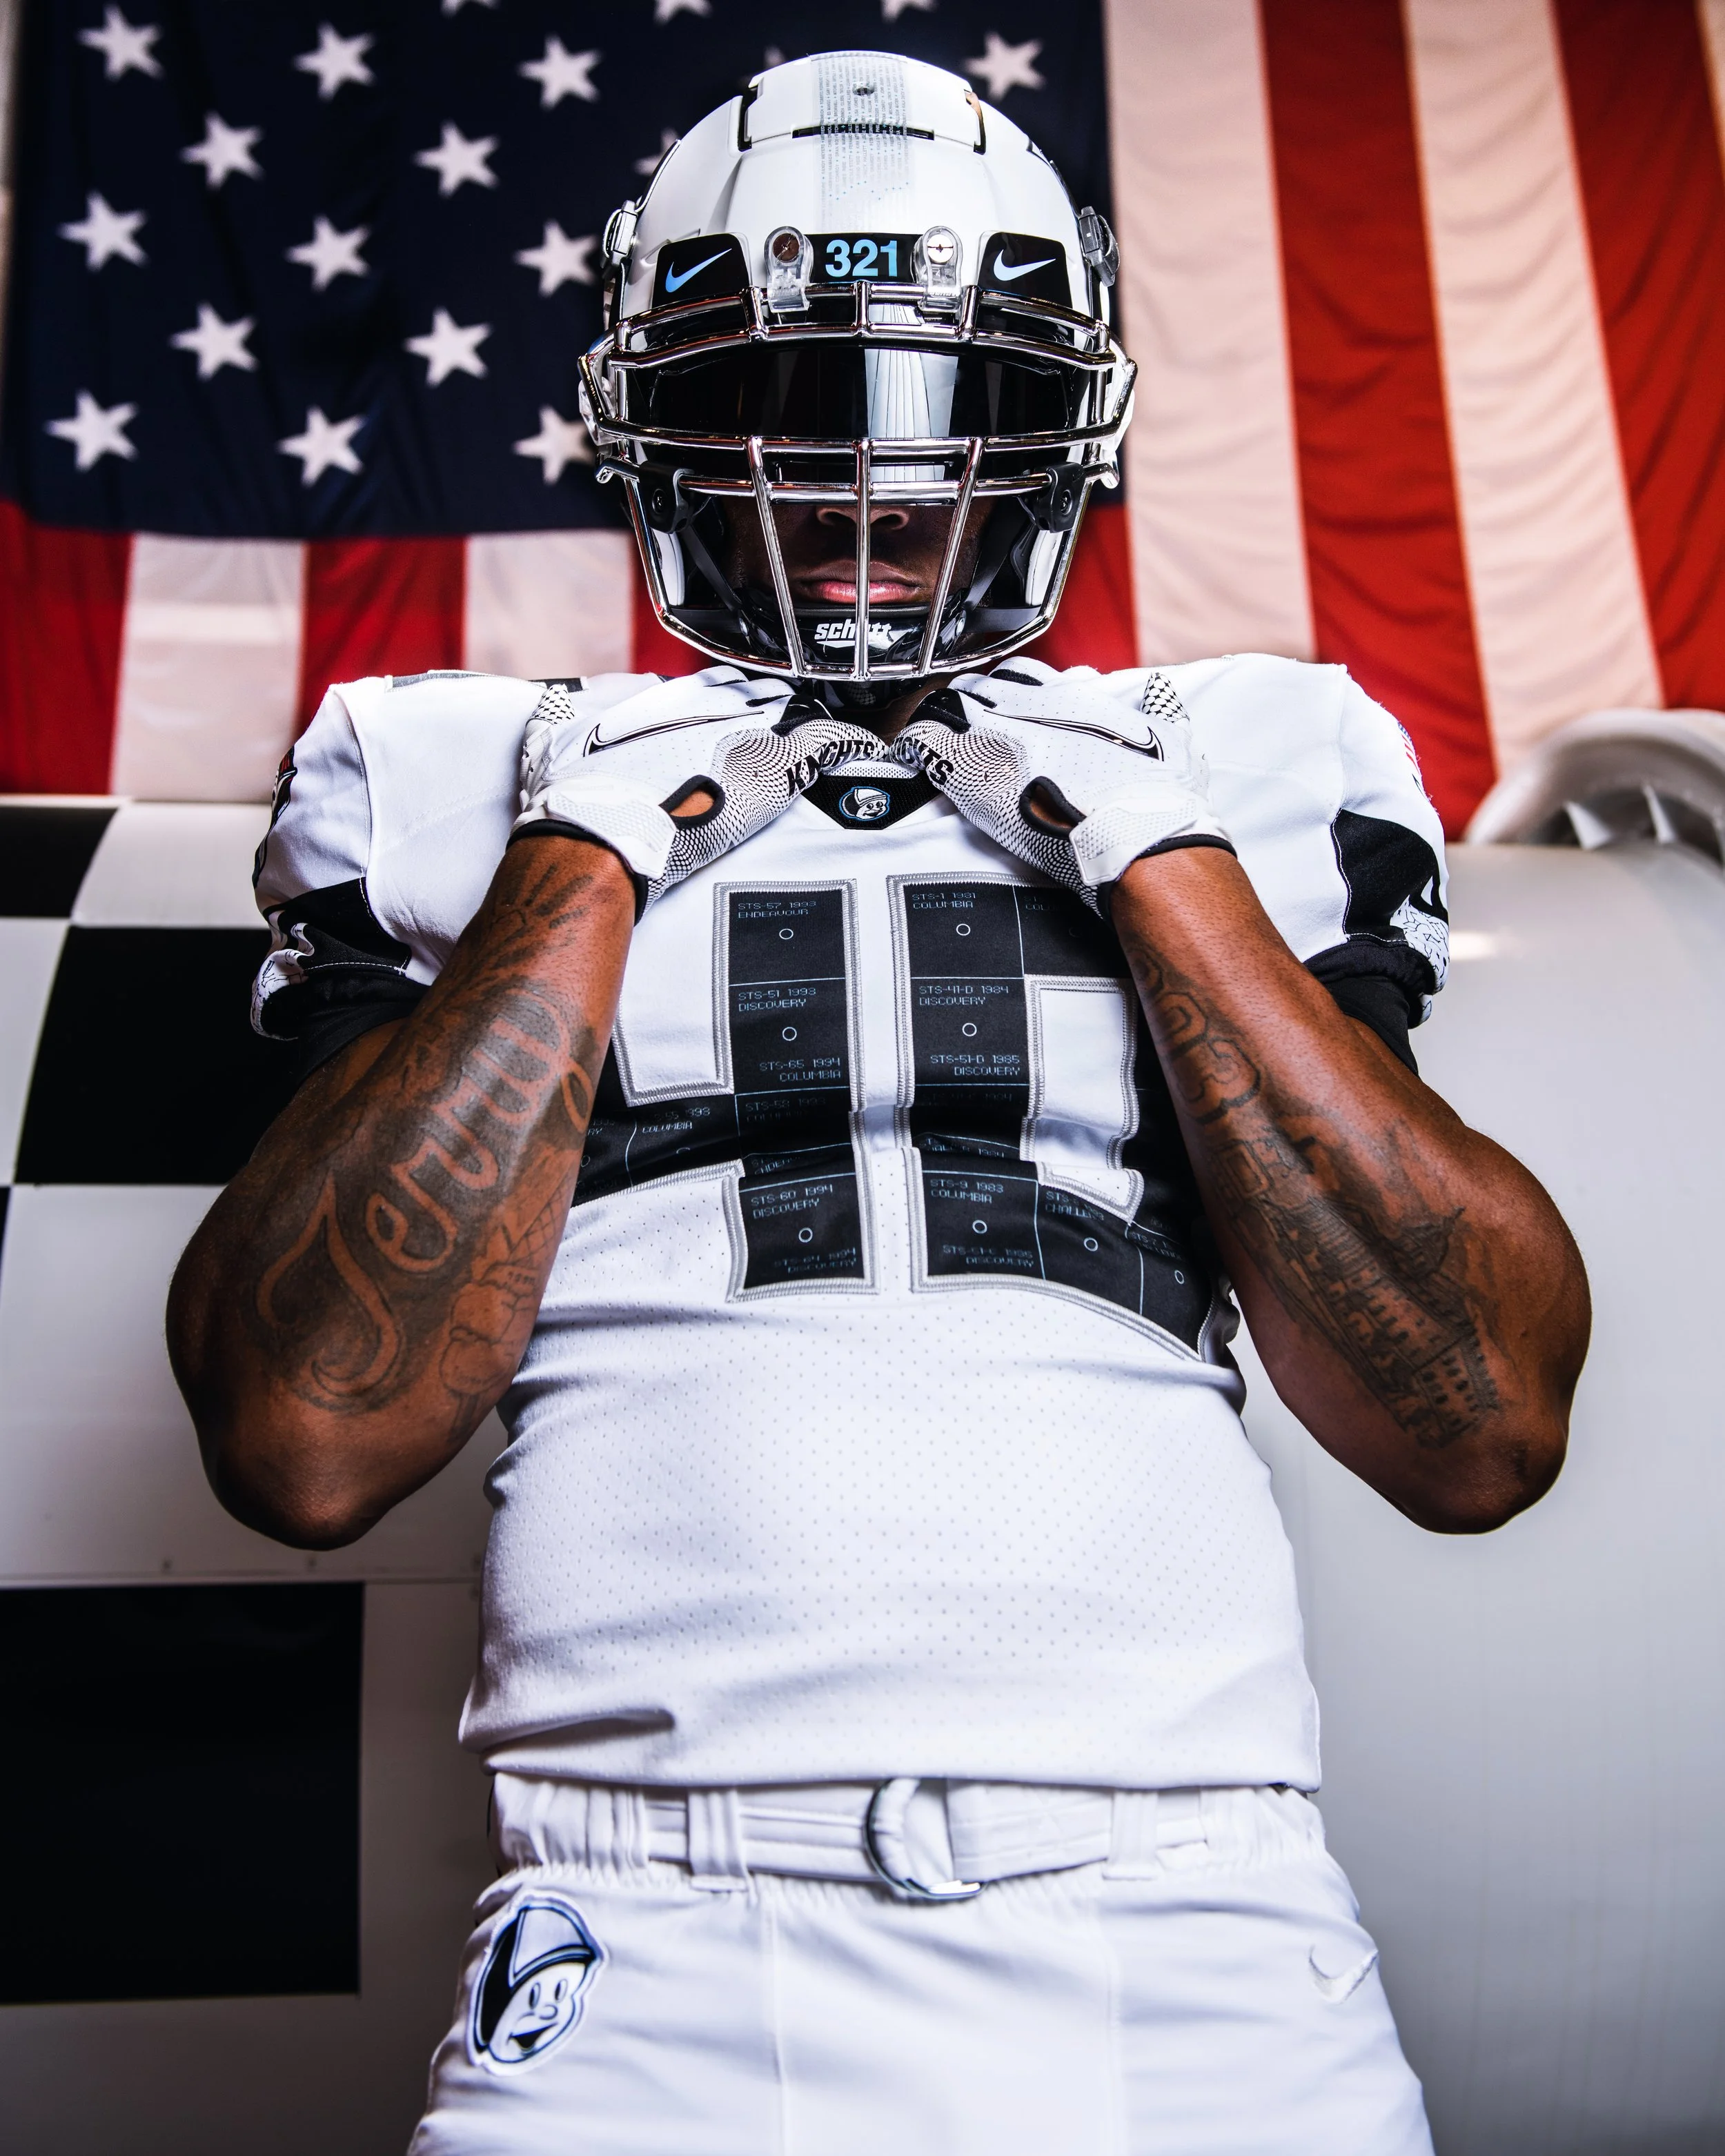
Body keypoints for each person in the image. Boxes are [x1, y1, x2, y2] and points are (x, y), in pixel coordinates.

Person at [168, 50, 1589, 2155]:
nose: (871, 473)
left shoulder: (1243, 759)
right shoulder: (458, 766)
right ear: (652, 414)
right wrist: (583, 858)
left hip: (1192, 1911)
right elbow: (301, 1436)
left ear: (1060, 420)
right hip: (644, 1926)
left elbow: (1480, 1424)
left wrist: (1160, 863)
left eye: (948, 398)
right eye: (788, 394)